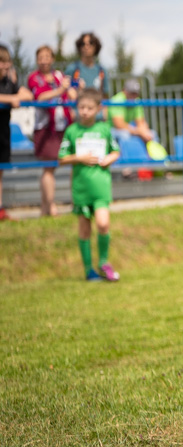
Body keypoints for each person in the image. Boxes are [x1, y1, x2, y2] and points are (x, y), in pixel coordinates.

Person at [57, 88, 121, 281]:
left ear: (98, 109)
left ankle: (103, 262)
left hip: (101, 187)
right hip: (81, 188)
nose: (85, 111)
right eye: (81, 107)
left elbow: (116, 151)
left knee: (103, 223)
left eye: (89, 108)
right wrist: (79, 157)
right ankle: (88, 271)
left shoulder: (104, 129)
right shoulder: (72, 131)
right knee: (84, 229)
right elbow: (62, 158)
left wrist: (109, 159)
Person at [27, 45, 76, 217]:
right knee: (48, 168)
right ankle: (50, 207)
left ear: (52, 58)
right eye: (41, 57)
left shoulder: (59, 76)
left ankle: (67, 205)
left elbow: (71, 94)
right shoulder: (34, 78)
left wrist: (74, 88)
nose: (44, 60)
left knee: (72, 164)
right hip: (46, 128)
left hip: (64, 126)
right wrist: (61, 89)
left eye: (47, 56)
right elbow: (39, 97)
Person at [0, 45, 34, 221]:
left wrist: (16, 97)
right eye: (1, 62)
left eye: (7, 62)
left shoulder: (9, 82)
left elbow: (28, 95)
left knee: (0, 171)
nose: (5, 66)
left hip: (3, 134)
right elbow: (12, 98)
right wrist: (10, 99)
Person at [108, 79, 156, 145]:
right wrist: (139, 132)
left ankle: (149, 155)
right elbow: (119, 125)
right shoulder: (117, 100)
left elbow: (141, 121)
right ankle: (125, 155)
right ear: (124, 91)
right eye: (132, 93)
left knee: (152, 134)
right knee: (124, 135)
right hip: (112, 129)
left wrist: (144, 131)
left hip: (130, 129)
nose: (134, 96)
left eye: (136, 93)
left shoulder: (136, 101)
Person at [65, 32, 110, 98]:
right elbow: (64, 93)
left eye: (91, 43)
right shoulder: (72, 69)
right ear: (79, 47)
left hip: (96, 108)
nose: (87, 46)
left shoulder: (102, 71)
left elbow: (105, 96)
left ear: (96, 46)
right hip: (76, 108)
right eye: (83, 44)